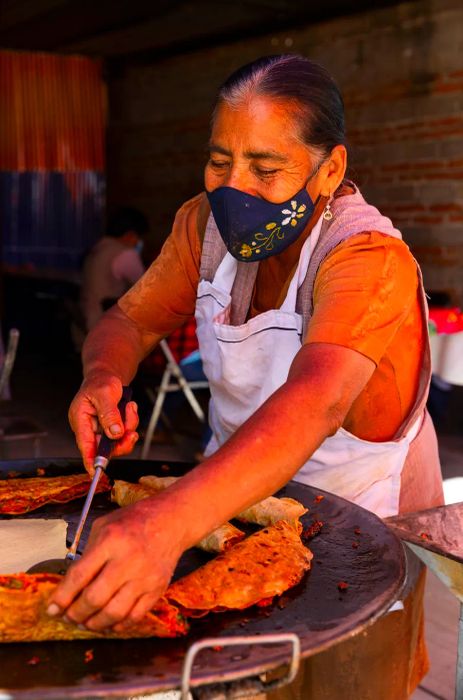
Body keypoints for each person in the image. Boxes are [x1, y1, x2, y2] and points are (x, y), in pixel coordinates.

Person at [48, 55, 444, 698]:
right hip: (227, 506)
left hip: (354, 528)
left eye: (265, 169)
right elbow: (127, 321)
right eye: (219, 162)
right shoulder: (202, 229)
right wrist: (102, 378)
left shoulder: (368, 259)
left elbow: (314, 400)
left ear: (331, 169)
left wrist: (167, 523)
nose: (235, 188)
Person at [79, 206, 149, 333]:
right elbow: (146, 287)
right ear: (130, 235)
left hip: (85, 327)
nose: (139, 242)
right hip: (108, 330)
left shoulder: (96, 249)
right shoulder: (125, 253)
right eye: (138, 237)